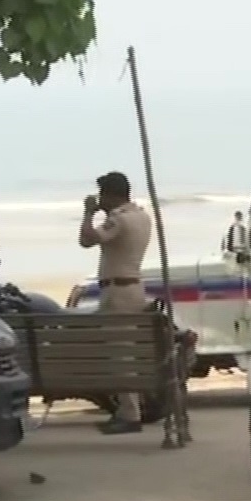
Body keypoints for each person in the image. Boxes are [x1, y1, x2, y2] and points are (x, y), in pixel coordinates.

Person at [78, 171, 155, 434]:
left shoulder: (119, 220)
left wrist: (89, 212)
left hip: (117, 291)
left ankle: (130, 413)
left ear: (111, 195)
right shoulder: (142, 216)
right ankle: (126, 409)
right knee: (124, 351)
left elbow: (86, 240)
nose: (99, 199)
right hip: (133, 285)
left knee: (119, 354)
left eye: (102, 194)